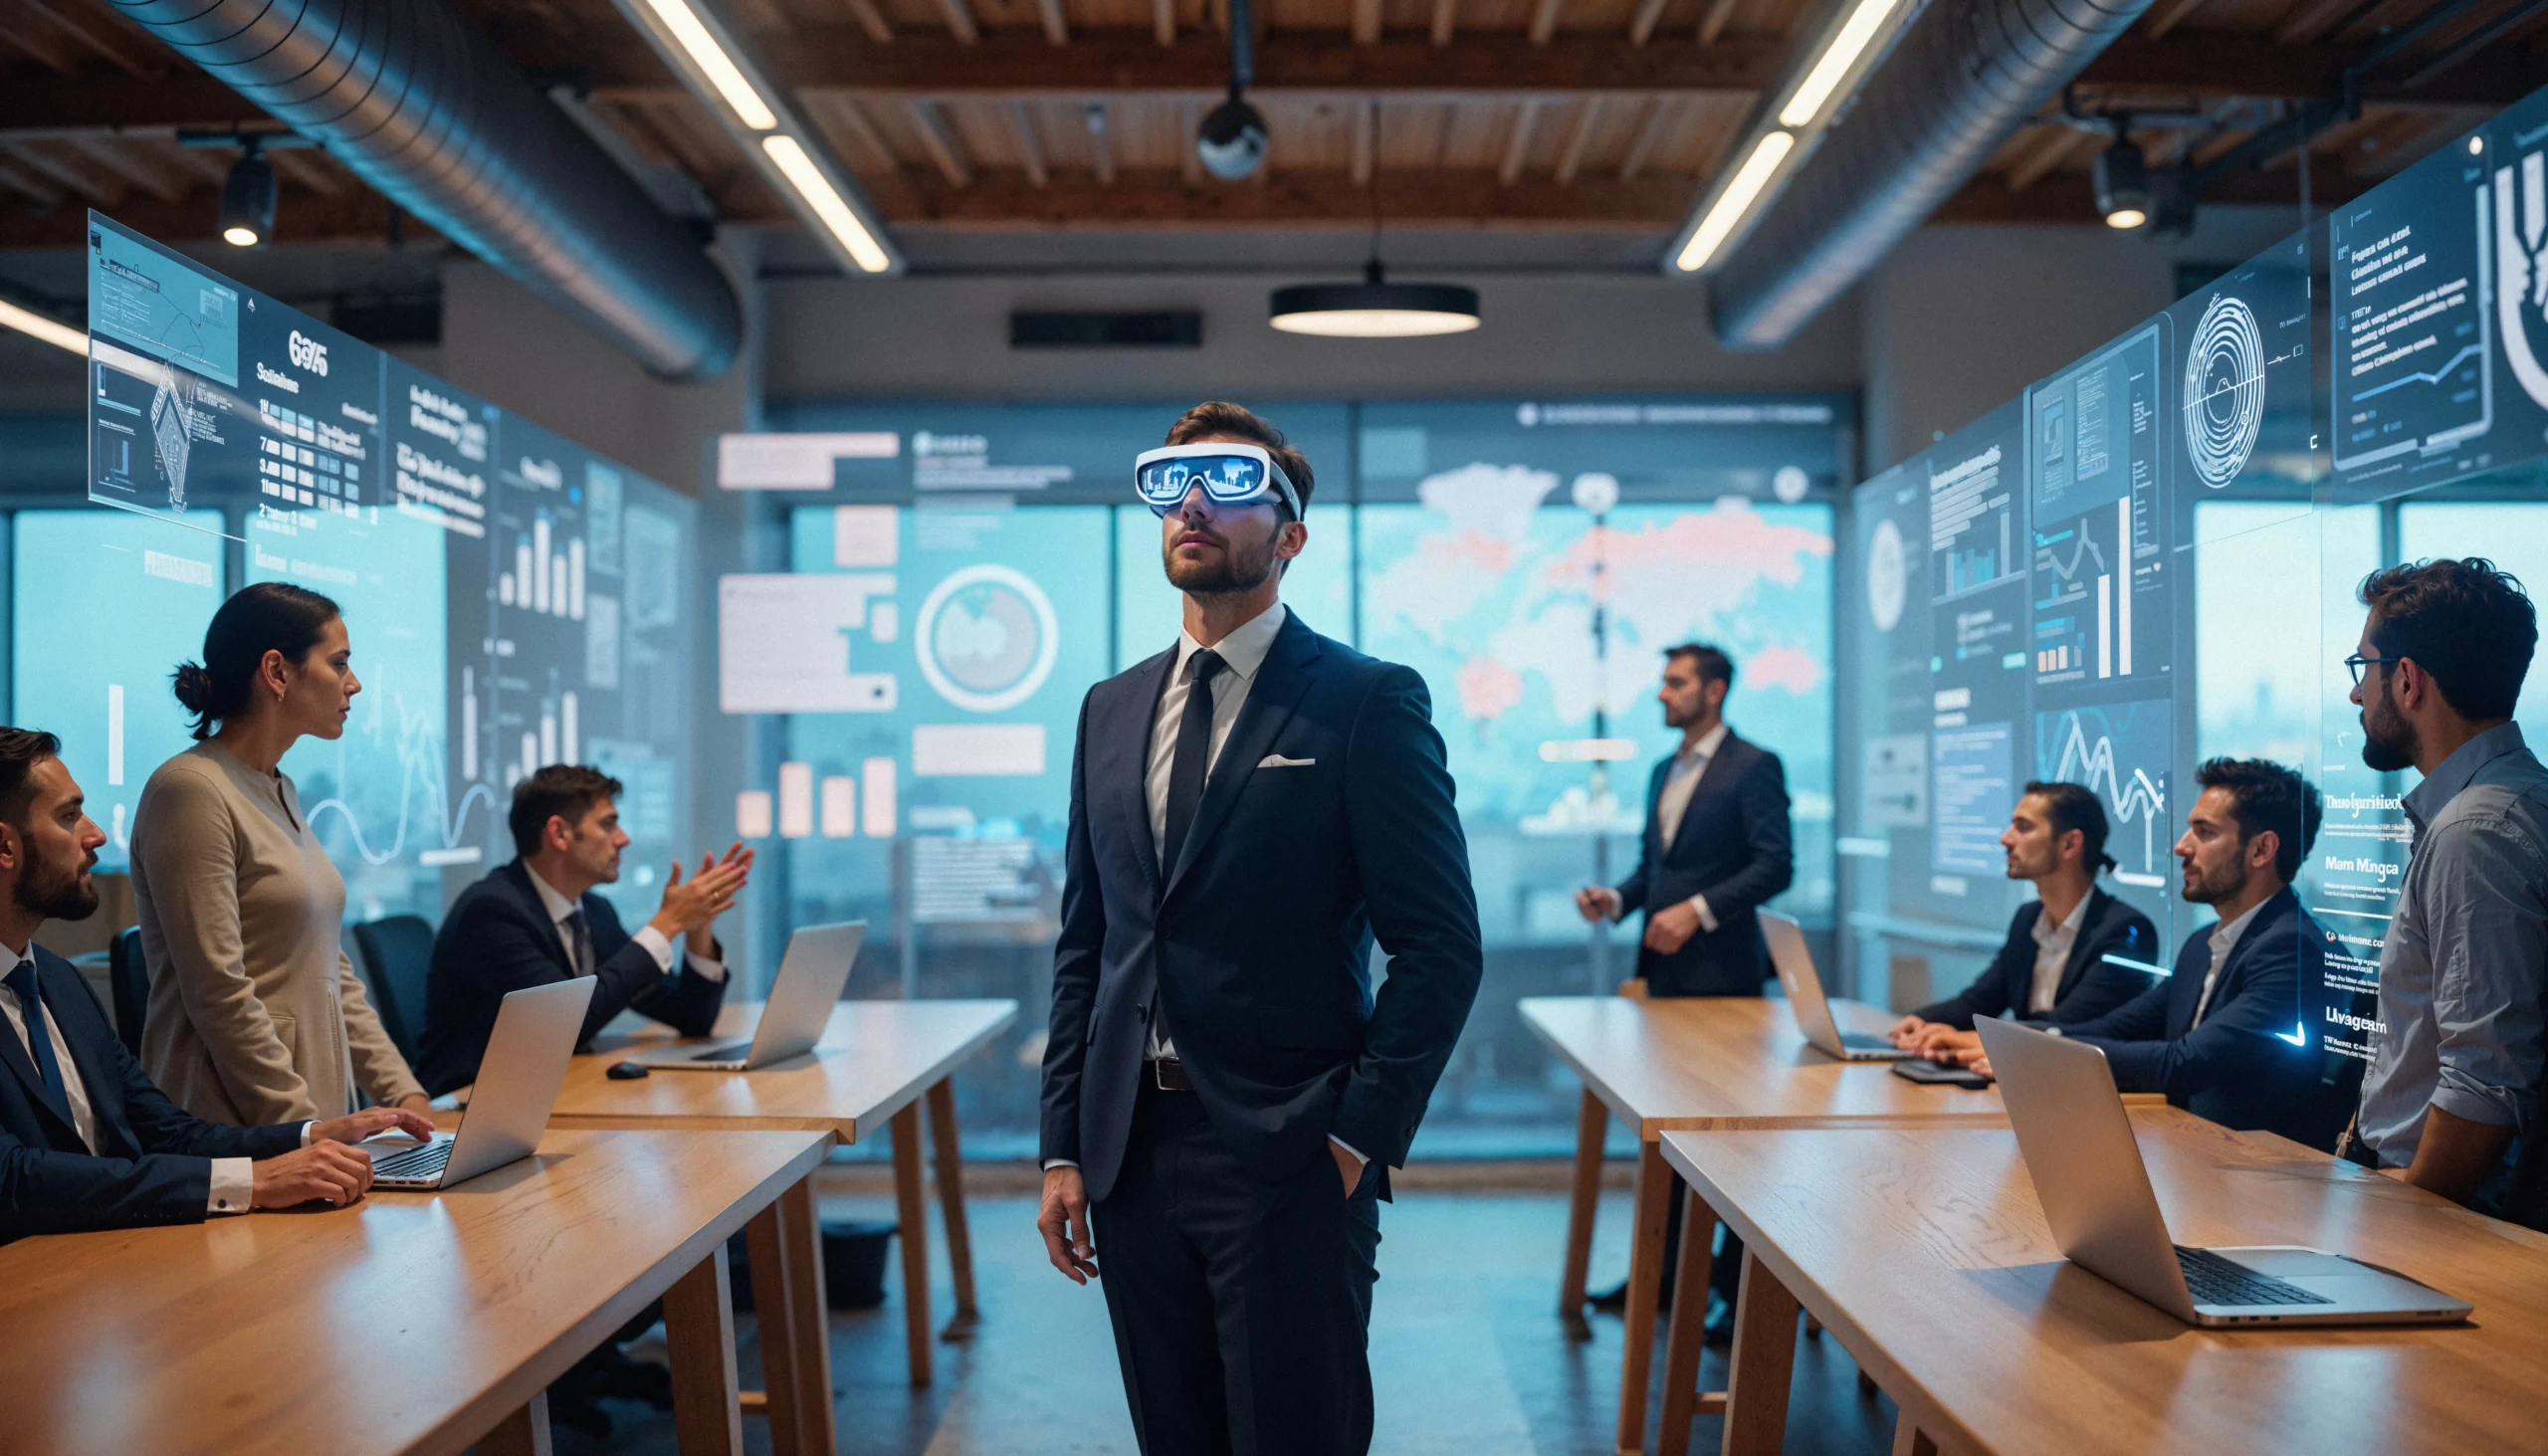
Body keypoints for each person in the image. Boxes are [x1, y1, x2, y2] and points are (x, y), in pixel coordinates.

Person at [1035, 402, 1483, 1456]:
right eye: (1172, 485)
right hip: (1128, 1153)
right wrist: (1062, 1141)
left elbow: (1440, 945)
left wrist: (1354, 1135)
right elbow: (1087, 945)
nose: (1191, 504)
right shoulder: (1109, 706)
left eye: (1229, 487)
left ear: (1290, 536)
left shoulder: (1365, 701)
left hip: (1289, 1153)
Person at [0, 728, 429, 1242]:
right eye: (69, 817)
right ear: (5, 846)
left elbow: (168, 1131)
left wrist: (313, 1135)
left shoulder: (56, 980)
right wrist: (253, 1180)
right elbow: (17, 1178)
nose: (95, 835)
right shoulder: (190, 788)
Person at [134, 583, 429, 1126]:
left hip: (310, 1126)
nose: (354, 683)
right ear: (276, 672)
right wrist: (302, 1127)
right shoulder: (191, 789)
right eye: (339, 663)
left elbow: (329, 970)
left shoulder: (279, 788)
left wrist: (404, 1093)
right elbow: (217, 991)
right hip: (235, 1129)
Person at [1938, 758, 2340, 1146]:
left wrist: (2036, 1054)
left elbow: (2183, 1063)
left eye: (2204, 832)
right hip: (2190, 1151)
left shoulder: (2292, 949)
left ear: (2261, 850)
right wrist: (2024, 1043)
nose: (2182, 847)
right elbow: (2119, 1027)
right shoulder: (2204, 943)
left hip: (2255, 1176)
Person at [1571, 642, 1792, 1334]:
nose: (1662, 693)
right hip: (1665, 980)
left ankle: (1725, 1285)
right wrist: (1619, 896)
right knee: (1664, 1136)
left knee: (1727, 1145)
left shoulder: (1754, 766)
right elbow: (1655, 868)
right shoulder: (1665, 768)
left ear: (1716, 690)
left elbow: (1775, 865)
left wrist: (1697, 912)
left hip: (1725, 980)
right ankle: (1664, 1278)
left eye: (1676, 682)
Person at [2342, 558, 2548, 1219]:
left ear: (2407, 680)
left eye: (2362, 668)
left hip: (2434, 1221)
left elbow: (2485, 1078)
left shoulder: (2474, 830)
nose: (2355, 694)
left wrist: (2405, 1201)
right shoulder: (2512, 802)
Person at [418, 765, 750, 1095]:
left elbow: (692, 1017)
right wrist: (667, 923)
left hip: (551, 1095)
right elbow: (565, 1026)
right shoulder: (490, 913)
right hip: (463, 1110)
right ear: (559, 834)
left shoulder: (593, 911)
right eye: (608, 824)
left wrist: (697, 926)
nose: (623, 839)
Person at [1887, 781, 2156, 1053]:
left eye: (2023, 827)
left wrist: (1965, 1039)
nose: (2006, 838)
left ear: (2069, 844)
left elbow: (2066, 1029)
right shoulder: (2028, 918)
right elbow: (1979, 1002)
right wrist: (1921, 1021)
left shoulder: (2126, 932)